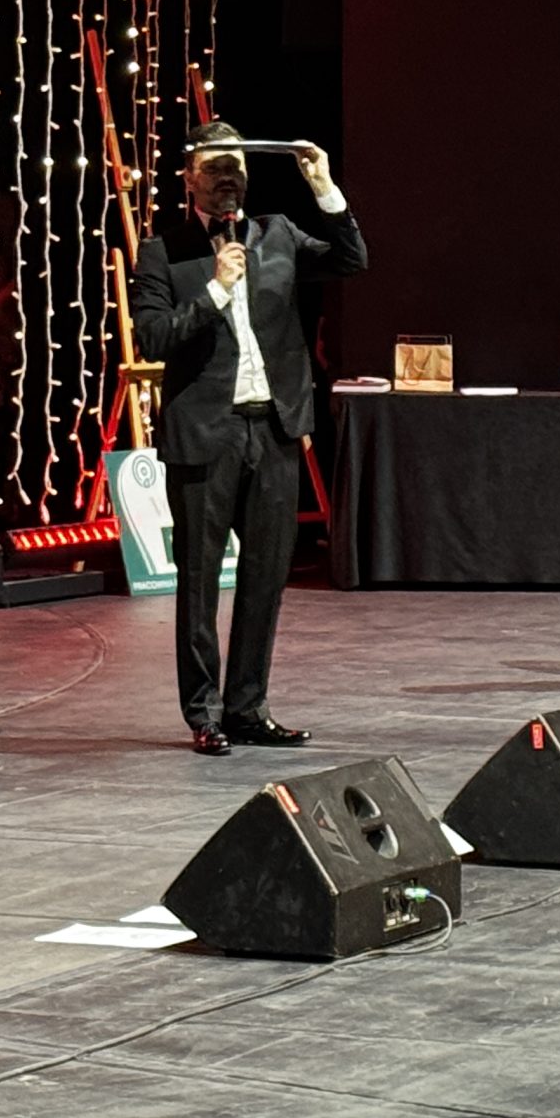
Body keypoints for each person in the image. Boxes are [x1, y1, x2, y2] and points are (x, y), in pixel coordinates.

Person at [132, 122, 366, 756]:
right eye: (214, 168)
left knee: (265, 577)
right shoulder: (164, 250)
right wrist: (215, 290)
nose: (227, 177)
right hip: (205, 435)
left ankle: (247, 708)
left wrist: (324, 188)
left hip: (274, 428)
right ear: (190, 178)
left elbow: (351, 260)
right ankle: (203, 713)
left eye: (235, 165)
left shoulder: (278, 233)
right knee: (200, 580)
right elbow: (152, 338)